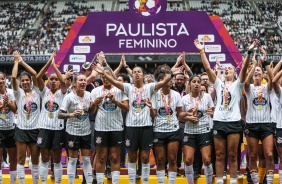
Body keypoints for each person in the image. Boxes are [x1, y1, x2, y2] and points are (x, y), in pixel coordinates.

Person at [93, 54, 183, 184]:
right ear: (131, 75)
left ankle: (145, 181)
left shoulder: (150, 87)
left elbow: (163, 82)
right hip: (131, 126)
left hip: (146, 126)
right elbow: (114, 82)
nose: (136, 74)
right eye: (134, 72)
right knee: (133, 156)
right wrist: (104, 74)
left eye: (139, 72)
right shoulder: (128, 87)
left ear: (143, 74)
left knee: (145, 157)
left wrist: (172, 74)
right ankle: (131, 181)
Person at [194, 39, 256, 184]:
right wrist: (201, 51)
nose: (227, 69)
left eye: (230, 69)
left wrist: (249, 51)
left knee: (233, 155)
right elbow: (208, 68)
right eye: (225, 69)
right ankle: (220, 180)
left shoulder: (238, 84)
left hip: (234, 123)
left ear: (235, 73)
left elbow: (246, 66)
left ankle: (233, 180)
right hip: (219, 122)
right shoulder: (218, 83)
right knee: (220, 155)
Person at [91, 67, 129, 184]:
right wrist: (95, 103)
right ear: (101, 78)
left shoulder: (120, 90)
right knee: (101, 158)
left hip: (116, 128)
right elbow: (91, 111)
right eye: (103, 76)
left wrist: (115, 101)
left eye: (108, 76)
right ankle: (100, 182)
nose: (106, 79)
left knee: (114, 158)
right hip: (100, 128)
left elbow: (126, 107)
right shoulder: (95, 91)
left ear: (112, 77)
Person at [58, 74, 96, 184]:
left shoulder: (89, 95)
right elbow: (60, 114)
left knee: (86, 160)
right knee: (73, 160)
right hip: (72, 132)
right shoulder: (69, 97)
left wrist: (95, 104)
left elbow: (91, 112)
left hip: (86, 132)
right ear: (75, 83)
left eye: (85, 80)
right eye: (80, 80)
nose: (83, 82)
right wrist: (71, 114)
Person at [244, 47, 274, 184]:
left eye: (258, 72)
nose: (256, 73)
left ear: (262, 75)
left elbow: (272, 78)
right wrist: (254, 66)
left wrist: (264, 62)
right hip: (252, 125)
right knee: (252, 155)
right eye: (254, 72)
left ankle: (268, 181)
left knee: (269, 154)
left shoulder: (267, 87)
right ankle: (255, 183)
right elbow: (246, 80)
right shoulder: (248, 88)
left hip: (267, 124)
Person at [36, 52, 67, 184]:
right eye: (51, 79)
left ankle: (58, 182)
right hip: (44, 128)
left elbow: (63, 81)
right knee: (44, 158)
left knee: (57, 159)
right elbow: (38, 77)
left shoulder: (63, 93)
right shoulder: (44, 91)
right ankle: (43, 182)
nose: (53, 81)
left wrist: (55, 67)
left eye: (55, 79)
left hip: (58, 129)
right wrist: (49, 62)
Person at [149, 65, 182, 184]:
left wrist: (188, 115)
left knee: (172, 159)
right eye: (168, 79)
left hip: (173, 130)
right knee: (161, 159)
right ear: (162, 81)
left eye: (171, 80)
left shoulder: (176, 95)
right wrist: (150, 108)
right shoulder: (154, 94)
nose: (171, 81)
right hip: (158, 130)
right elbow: (153, 115)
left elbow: (180, 114)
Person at [179, 75, 214, 184]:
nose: (197, 84)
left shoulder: (207, 97)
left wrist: (212, 113)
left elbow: (212, 112)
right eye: (194, 81)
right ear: (189, 84)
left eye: (198, 82)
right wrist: (188, 117)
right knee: (188, 160)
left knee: (207, 160)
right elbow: (180, 116)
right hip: (189, 132)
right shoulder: (184, 99)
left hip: (204, 131)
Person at [12, 51, 41, 184]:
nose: (24, 82)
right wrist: (16, 62)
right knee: (20, 159)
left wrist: (22, 61)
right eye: (22, 80)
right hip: (22, 130)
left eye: (26, 80)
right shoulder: (18, 94)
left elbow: (35, 74)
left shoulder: (37, 91)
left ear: (30, 82)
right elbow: (13, 78)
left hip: (35, 130)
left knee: (35, 160)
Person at [0, 72, 17, 184]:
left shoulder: (11, 92)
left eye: (2, 78)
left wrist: (8, 103)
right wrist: (3, 105)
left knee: (13, 158)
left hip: (11, 129)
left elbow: (15, 109)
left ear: (5, 80)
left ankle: (12, 181)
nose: (0, 81)